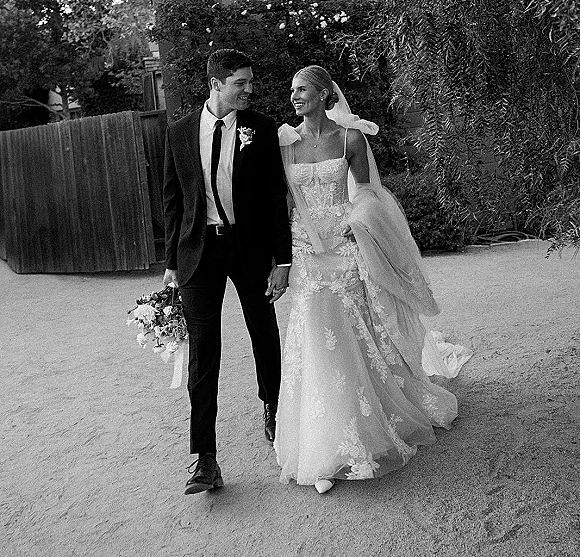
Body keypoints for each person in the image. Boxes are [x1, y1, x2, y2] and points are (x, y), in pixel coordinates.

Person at [274, 65, 472, 494]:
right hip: (306, 248)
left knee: (347, 326)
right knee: (312, 329)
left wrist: (354, 221)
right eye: (292, 90)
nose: (294, 96)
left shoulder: (350, 139)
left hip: (344, 245)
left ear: (325, 94)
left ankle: (368, 422)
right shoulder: (285, 143)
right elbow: (283, 198)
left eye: (302, 89)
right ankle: (320, 443)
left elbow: (368, 192)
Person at [163, 48, 292, 495]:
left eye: (250, 82)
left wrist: (284, 259)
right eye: (241, 82)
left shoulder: (260, 127)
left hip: (250, 249)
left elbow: (277, 195)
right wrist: (170, 264)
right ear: (216, 83)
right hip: (199, 252)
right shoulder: (179, 133)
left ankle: (274, 408)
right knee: (204, 350)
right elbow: (173, 202)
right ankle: (205, 458)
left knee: (263, 330)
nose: (249, 90)